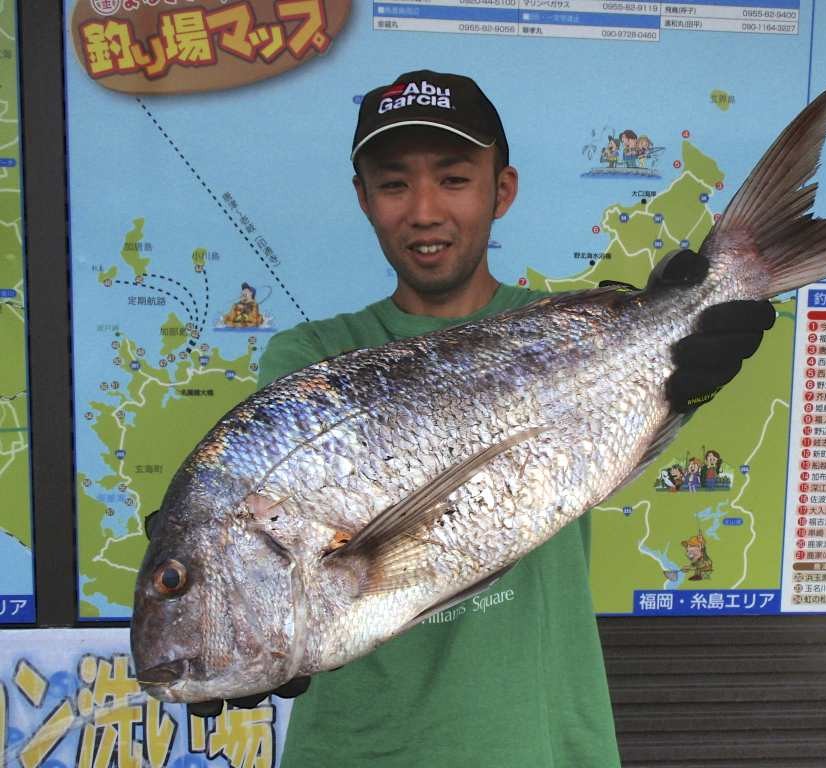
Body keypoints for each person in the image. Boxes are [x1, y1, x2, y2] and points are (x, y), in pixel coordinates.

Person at [193, 70, 774, 766]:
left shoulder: (573, 333)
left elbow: (620, 438)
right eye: (394, 183)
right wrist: (237, 603)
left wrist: (684, 381)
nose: (425, 209)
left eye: (454, 178)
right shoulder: (311, 361)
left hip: (543, 740)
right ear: (364, 199)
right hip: (362, 751)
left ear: (503, 190)